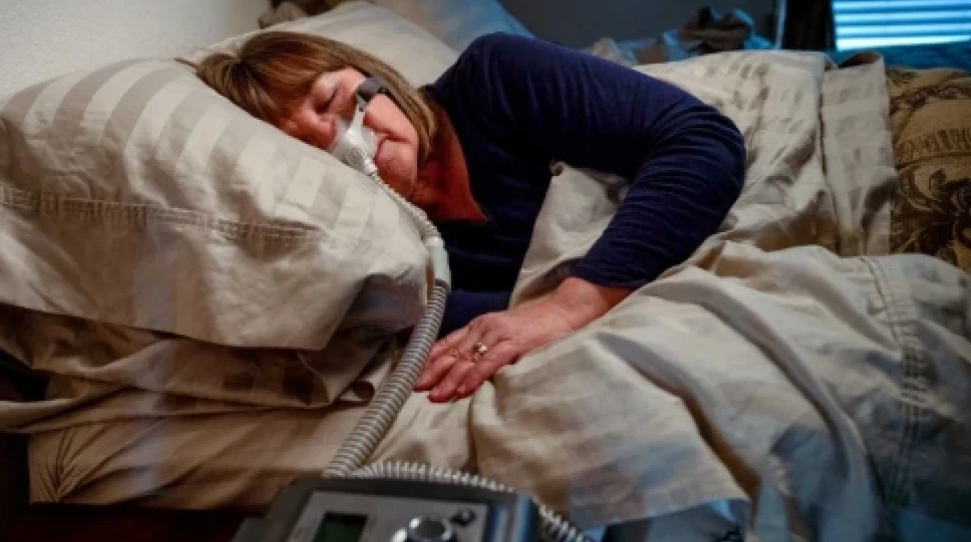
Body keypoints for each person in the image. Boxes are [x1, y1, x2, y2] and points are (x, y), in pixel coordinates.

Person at [198, 32, 746, 403]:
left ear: (372, 77)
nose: (349, 140)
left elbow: (701, 140)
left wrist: (570, 305)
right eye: (311, 149)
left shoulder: (497, 78)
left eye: (334, 101)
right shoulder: (379, 256)